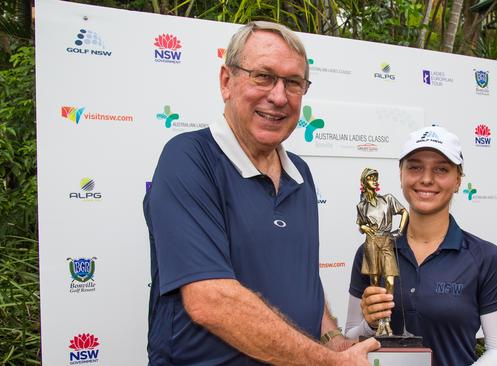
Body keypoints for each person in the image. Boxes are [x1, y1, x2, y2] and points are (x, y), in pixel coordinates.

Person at [144, 21, 378, 365]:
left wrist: (332, 338)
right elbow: (211, 300)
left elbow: (302, 281)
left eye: (293, 83)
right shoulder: (189, 158)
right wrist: (328, 363)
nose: (279, 96)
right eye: (263, 76)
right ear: (227, 81)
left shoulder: (300, 173)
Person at [345, 125, 497, 365]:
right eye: (415, 167)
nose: (426, 179)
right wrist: (370, 323)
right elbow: (348, 341)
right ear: (401, 174)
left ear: (458, 180)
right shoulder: (370, 251)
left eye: (440, 169)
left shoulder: (486, 258)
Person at [356, 168, 408, 336]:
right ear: (364, 182)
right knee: (375, 284)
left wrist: (399, 231)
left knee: (390, 280)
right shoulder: (361, 206)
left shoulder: (387, 199)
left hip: (386, 241)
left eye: (376, 178)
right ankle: (380, 323)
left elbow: (404, 212)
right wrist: (364, 227)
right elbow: (360, 225)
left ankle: (386, 320)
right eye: (371, 178)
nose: (375, 180)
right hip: (371, 243)